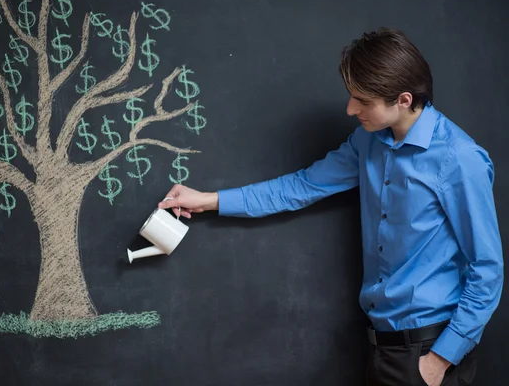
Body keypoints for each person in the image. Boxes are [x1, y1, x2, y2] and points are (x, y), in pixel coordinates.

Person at [158, 28, 504, 386]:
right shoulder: (368, 141)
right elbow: (301, 187)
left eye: (362, 101)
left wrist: (440, 360)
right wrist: (209, 201)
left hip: (428, 352)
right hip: (379, 345)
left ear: (402, 99)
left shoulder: (460, 160)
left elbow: (488, 270)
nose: (351, 109)